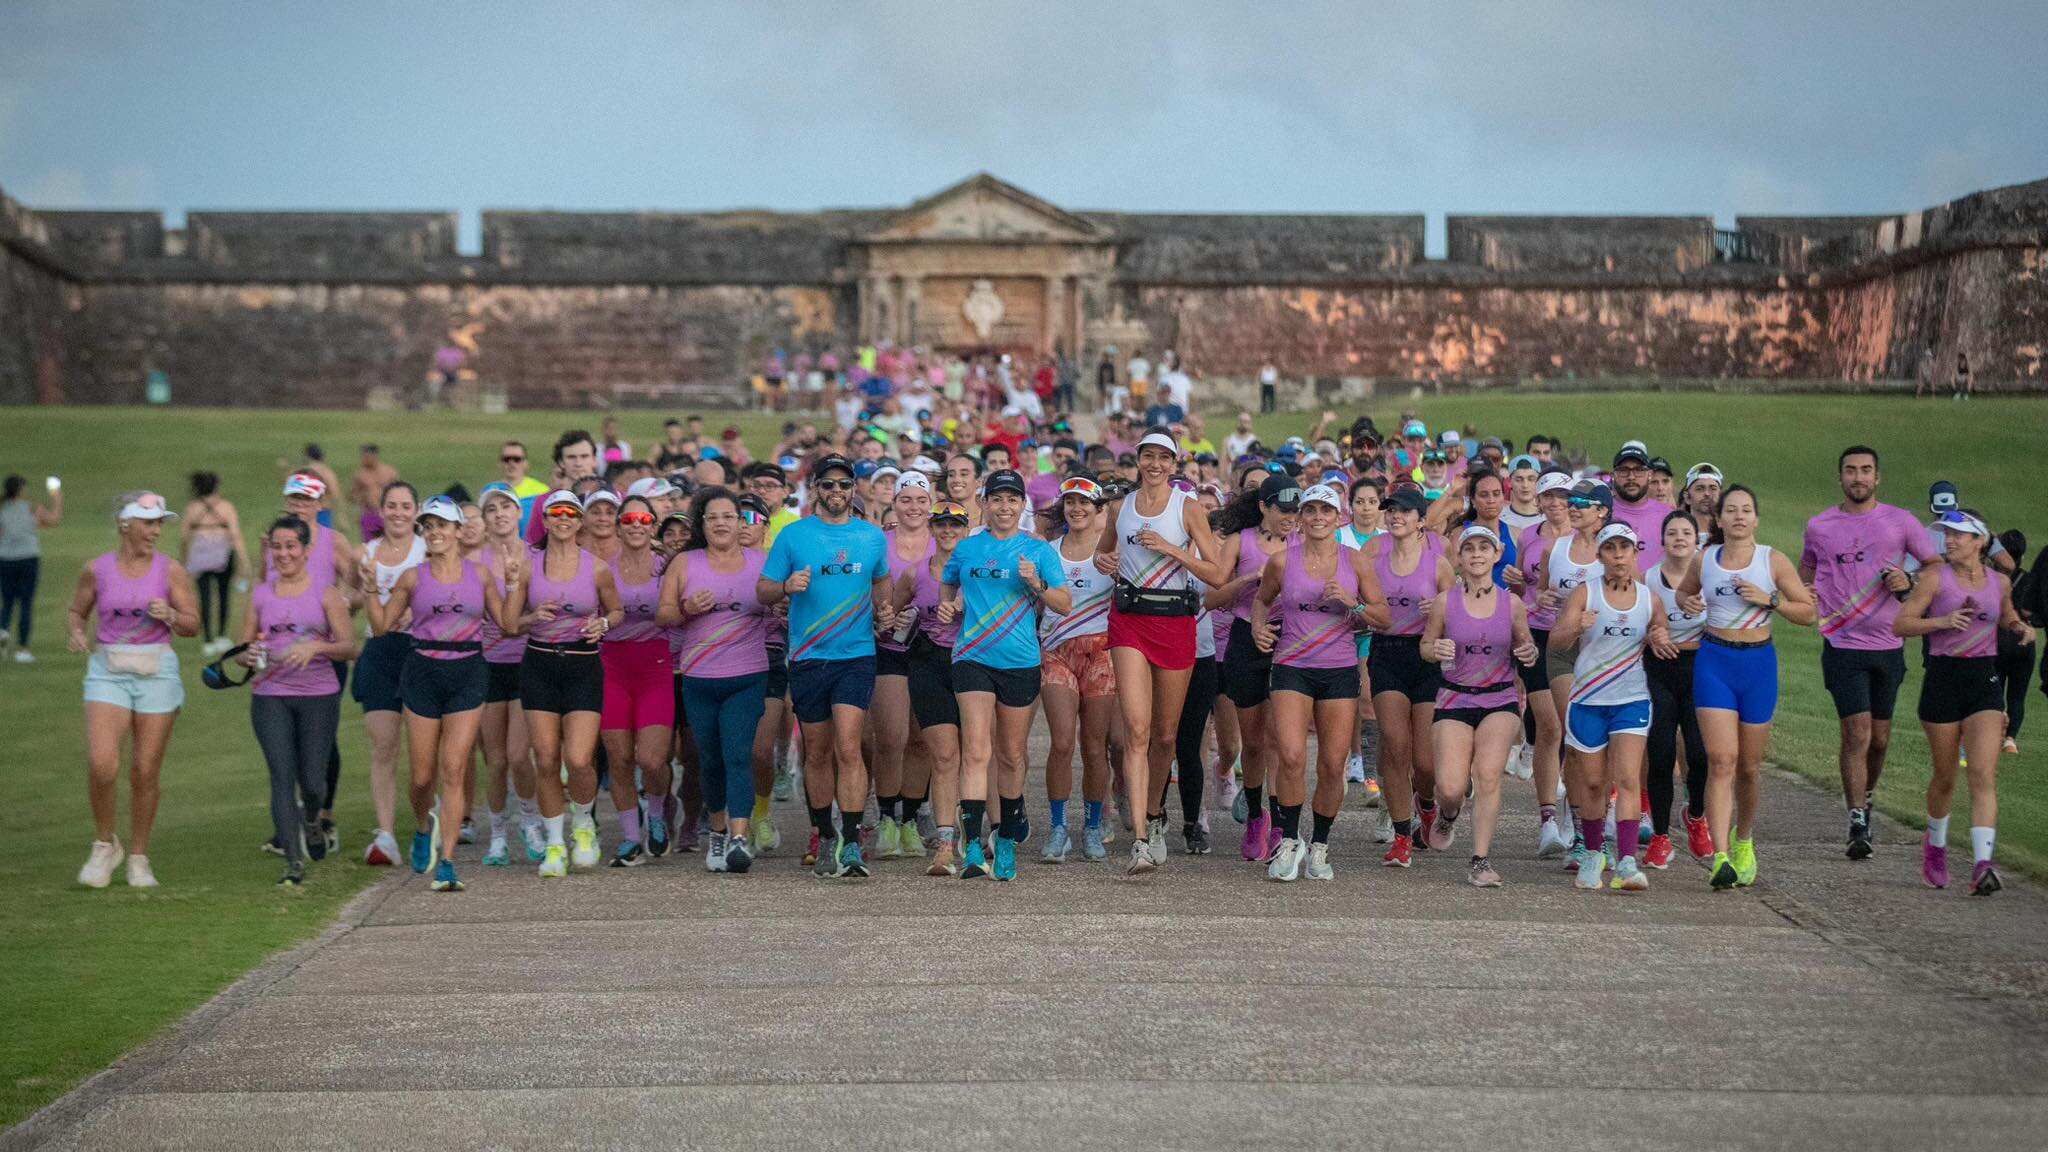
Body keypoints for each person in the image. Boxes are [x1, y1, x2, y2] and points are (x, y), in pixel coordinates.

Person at [1798, 445, 1941, 860]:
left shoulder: (1900, 522)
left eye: (1865, 471)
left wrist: (1908, 580)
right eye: (1850, 471)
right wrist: (1808, 596)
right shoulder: (1821, 526)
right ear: (1840, 477)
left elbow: (1933, 565)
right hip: (1842, 644)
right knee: (1856, 732)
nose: (1858, 477)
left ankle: (1868, 794)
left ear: (1877, 477)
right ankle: (1857, 817)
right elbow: (1806, 570)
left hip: (1890, 643)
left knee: (1879, 739)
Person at [1096, 431, 1228, 875]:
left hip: (1175, 621)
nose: (1154, 464)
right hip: (1130, 619)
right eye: (1147, 456)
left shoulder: (1187, 508)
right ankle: (1138, 839)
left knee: (1165, 736)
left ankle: (1154, 814)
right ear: (1138, 460)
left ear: (1174, 463)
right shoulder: (1121, 507)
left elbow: (1216, 571)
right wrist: (1106, 563)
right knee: (1136, 729)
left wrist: (1173, 550)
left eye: (1163, 458)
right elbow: (1103, 554)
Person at [759, 453, 893, 880]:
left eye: (844, 485)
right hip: (809, 657)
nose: (836, 492)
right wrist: (785, 586)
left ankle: (851, 840)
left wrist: (883, 610)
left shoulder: (871, 537)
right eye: (828, 485)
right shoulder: (793, 536)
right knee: (815, 750)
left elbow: (881, 579)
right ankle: (824, 833)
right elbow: (763, 589)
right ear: (815, 489)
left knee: (849, 746)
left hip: (856, 655)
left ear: (854, 489)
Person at [1677, 485, 1817, 890]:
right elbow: (1685, 593)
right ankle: (1720, 857)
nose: (1739, 517)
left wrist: (1770, 600)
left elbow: (1808, 614)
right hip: (1714, 660)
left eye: (1746, 510)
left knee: (1749, 768)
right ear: (1719, 520)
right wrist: (1688, 604)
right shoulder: (1705, 559)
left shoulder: (1772, 560)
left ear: (1756, 519)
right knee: (1721, 760)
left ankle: (1744, 841)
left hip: (1757, 664)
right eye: (1731, 511)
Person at [1251, 483, 1384, 881]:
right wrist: (1259, 627)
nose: (1318, 518)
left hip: (1339, 669)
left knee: (1331, 764)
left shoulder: (1357, 562)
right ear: (1301, 518)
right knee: (1290, 755)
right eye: (1310, 511)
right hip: (1292, 664)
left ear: (1338, 516)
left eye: (1325, 511)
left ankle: (1320, 845)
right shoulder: (1281, 561)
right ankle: (1290, 841)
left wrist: (1353, 602)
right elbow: (1261, 600)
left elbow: (1383, 616)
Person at [941, 469, 1070, 880]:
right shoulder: (967, 548)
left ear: (1022, 506)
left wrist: (1036, 584)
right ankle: (974, 846)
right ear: (984, 503)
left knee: (1012, 755)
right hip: (972, 657)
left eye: (1012, 500)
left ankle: (1008, 839)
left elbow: (1064, 603)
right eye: (996, 499)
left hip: (1019, 660)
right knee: (977, 750)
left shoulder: (1039, 550)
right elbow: (947, 584)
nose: (1004, 506)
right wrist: (949, 606)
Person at [367, 496, 499, 892]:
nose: (436, 531)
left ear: (459, 531)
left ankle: (448, 860)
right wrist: (372, 590)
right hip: (422, 669)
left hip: (468, 669)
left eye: (443, 524)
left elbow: (507, 623)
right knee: (423, 775)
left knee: (455, 768)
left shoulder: (481, 575)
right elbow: (383, 626)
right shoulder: (413, 578)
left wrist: (521, 583)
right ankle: (424, 826)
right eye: (429, 526)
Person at [1894, 511, 2030, 894]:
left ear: (1979, 541)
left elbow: (2005, 616)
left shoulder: (2000, 582)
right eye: (1946, 535)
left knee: (1983, 773)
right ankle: (1935, 846)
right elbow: (1902, 624)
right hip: (1942, 678)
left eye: (1958, 535)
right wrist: (1941, 622)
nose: (1949, 541)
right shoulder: (1934, 578)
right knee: (1945, 776)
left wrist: (2019, 626)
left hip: (1984, 681)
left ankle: (1982, 865)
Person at [69, 492, 198, 888]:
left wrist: (173, 615)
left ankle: (139, 857)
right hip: (108, 671)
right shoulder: (98, 569)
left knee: (145, 771)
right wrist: (76, 632)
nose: (156, 531)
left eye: (160, 523)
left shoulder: (170, 570)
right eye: (149, 522)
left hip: (156, 671)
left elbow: (192, 624)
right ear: (125, 524)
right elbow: (78, 610)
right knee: (102, 763)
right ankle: (105, 844)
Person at [505, 490, 623, 877]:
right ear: (546, 518)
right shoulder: (528, 566)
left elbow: (617, 610)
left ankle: (584, 824)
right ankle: (555, 842)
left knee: (578, 759)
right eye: (556, 513)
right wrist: (531, 615)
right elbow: (509, 625)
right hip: (539, 663)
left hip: (583, 665)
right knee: (546, 757)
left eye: (571, 513)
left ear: (580, 521)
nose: (563, 519)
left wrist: (602, 624)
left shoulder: (596, 567)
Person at [1550, 523, 1672, 892]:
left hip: (1631, 699)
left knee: (1628, 778)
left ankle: (1627, 862)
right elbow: (1556, 643)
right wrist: (1576, 627)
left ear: (1635, 554)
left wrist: (1659, 636)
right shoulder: (1585, 595)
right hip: (1587, 699)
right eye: (1611, 549)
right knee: (1591, 783)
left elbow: (1661, 631)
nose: (1618, 556)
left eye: (1625, 548)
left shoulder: (1648, 598)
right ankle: (1592, 852)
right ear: (1600, 556)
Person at [239, 515, 357, 886]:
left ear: (306, 550)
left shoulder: (326, 593)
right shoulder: (260, 595)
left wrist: (316, 647)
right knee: (281, 775)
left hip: (318, 695)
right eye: (277, 546)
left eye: (291, 546)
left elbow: (349, 646)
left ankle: (313, 819)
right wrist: (250, 653)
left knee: (312, 781)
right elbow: (243, 651)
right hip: (270, 695)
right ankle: (293, 862)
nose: (283, 553)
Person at [663, 486, 772, 875]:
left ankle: (740, 839)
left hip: (747, 673)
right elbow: (663, 616)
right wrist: (686, 608)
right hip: (699, 677)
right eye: (714, 517)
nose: (722, 523)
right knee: (709, 760)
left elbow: (782, 602)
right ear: (702, 524)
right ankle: (719, 832)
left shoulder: (761, 562)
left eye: (730, 516)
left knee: (738, 754)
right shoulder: (684, 564)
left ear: (740, 523)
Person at [1422, 523, 1537, 887]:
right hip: (1454, 696)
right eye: (1469, 549)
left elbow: (1527, 647)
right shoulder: (1445, 602)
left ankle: (1480, 860)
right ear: (1460, 557)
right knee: (1451, 786)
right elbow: (1426, 646)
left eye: (1483, 548)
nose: (1476, 555)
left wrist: (1529, 652)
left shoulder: (1512, 603)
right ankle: (1448, 813)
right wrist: (1434, 650)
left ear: (1497, 555)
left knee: (1487, 775)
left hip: (1499, 698)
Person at [1363, 486, 1453, 867]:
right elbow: (1359, 600)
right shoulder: (1372, 556)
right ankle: (1402, 834)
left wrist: (1441, 611)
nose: (1395, 515)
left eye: (1404, 511)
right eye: (1391, 510)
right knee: (1395, 746)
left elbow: (1461, 615)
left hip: (1426, 654)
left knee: (1426, 761)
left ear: (1420, 521)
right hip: (1386, 652)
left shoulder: (1438, 563)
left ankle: (1427, 806)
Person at [1214, 473, 1300, 861]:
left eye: (1295, 510)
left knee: (1283, 741)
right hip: (1246, 636)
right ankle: (1254, 814)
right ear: (1263, 507)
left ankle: (1282, 822)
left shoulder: (1304, 542)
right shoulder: (1240, 541)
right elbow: (1212, 597)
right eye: (1283, 509)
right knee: (1253, 741)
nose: (1291, 517)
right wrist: (1250, 578)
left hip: (1292, 639)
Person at [1533, 478, 1613, 866]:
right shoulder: (1557, 549)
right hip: (1563, 650)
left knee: (1602, 744)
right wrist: (1544, 596)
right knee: (1577, 736)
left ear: (1602, 512)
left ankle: (1600, 815)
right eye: (1572, 500)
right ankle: (1582, 834)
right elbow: (1543, 592)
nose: (1575, 506)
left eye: (1584, 502)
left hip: (1604, 655)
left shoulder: (1614, 552)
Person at [1037, 476, 1117, 862]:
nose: (1077, 509)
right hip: (1057, 653)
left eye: (1085, 503)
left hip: (1101, 655)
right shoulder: (1047, 551)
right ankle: (1057, 828)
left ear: (1099, 509)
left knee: (1094, 747)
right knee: (1062, 742)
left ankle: (1092, 826)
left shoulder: (1111, 554)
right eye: (1070, 502)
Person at [596, 494, 674, 867]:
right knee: (620, 756)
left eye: (644, 518)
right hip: (613, 664)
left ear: (653, 525)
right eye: (628, 520)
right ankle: (630, 836)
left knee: (653, 759)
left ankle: (656, 813)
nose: (636, 525)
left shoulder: (666, 567)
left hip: (655, 664)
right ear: (618, 527)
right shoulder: (602, 568)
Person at [472, 484, 540, 866]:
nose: (499, 514)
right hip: (488, 665)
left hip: (528, 661)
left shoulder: (537, 559)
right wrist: (519, 620)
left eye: (506, 507)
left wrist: (521, 621)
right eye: (491, 509)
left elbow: (541, 609)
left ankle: (530, 822)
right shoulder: (476, 565)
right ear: (484, 520)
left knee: (518, 755)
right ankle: (498, 833)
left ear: (518, 514)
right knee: (495, 760)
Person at [901, 499, 970, 875]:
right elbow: (889, 616)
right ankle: (945, 843)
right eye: (941, 525)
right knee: (944, 755)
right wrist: (894, 616)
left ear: (966, 529)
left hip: (972, 663)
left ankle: (977, 831)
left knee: (976, 753)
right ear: (932, 529)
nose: (948, 532)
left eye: (955, 526)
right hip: (928, 663)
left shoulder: (977, 572)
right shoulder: (915, 574)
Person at [871, 473, 936, 861]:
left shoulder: (944, 542)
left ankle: (910, 818)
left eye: (921, 499)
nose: (914, 507)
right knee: (891, 737)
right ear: (894, 503)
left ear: (931, 503)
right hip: (887, 647)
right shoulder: (880, 544)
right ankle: (886, 818)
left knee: (920, 739)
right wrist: (879, 616)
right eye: (906, 499)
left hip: (930, 649)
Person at [1645, 510, 1710, 867]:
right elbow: (1636, 622)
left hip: (1699, 669)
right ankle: (1659, 835)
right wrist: (1653, 634)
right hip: (1658, 670)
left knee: (1700, 754)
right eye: (1672, 533)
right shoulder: (1649, 579)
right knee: (1661, 751)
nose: (1680, 538)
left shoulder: (1710, 577)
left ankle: (1697, 817)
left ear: (1697, 539)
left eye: (1687, 532)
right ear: (1663, 540)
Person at [180, 472, 251, 658]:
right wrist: (244, 561)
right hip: (223, 555)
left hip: (200, 556)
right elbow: (235, 536)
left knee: (204, 598)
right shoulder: (226, 507)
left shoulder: (192, 508)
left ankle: (208, 640)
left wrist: (184, 560)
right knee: (224, 595)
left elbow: (184, 537)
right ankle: (221, 636)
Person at [1, 473, 62, 663]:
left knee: (8, 603)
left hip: (5, 560)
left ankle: (2, 632)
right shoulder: (31, 508)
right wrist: (57, 498)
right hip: (28, 559)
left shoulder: (2, 509)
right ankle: (23, 650)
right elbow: (53, 520)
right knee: (25, 604)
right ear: (20, 490)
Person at [1607, 442, 1675, 565]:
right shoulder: (1601, 513)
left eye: (1638, 470)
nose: (1631, 477)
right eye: (1623, 470)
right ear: (1613, 476)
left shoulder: (1669, 516)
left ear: (1649, 475)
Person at [348, 444, 399, 541]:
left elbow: (399, 492)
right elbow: (352, 496)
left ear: (374, 456)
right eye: (363, 456)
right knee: (370, 546)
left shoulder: (389, 472)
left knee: (392, 542)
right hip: (369, 513)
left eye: (366, 457)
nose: (364, 459)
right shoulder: (360, 475)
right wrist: (362, 497)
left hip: (387, 513)